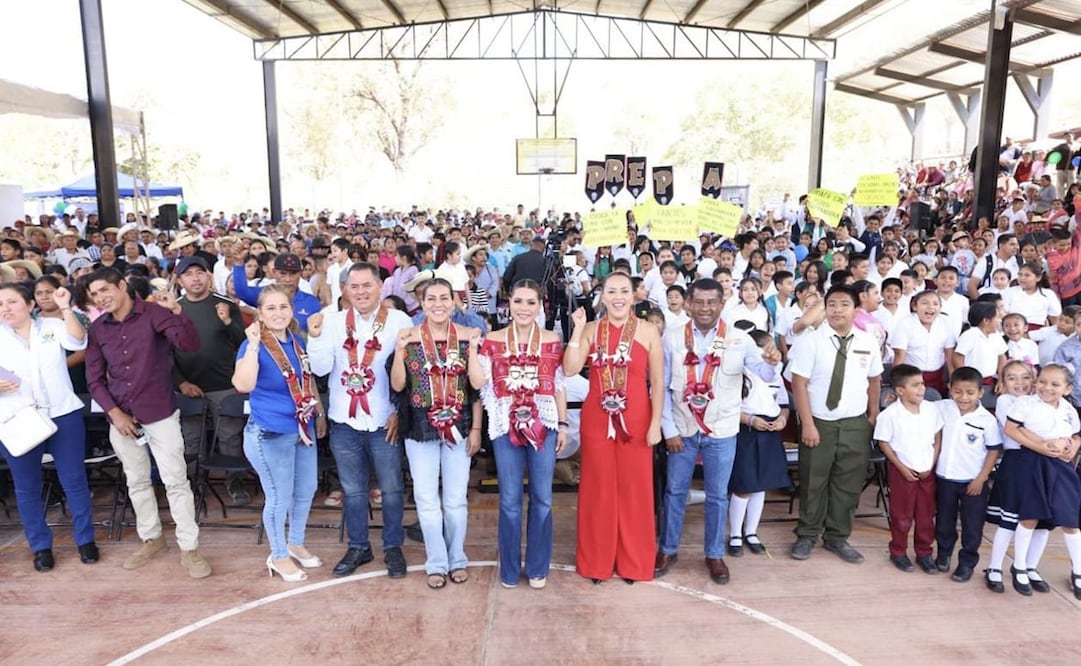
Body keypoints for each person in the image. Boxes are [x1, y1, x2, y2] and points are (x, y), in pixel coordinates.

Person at [84, 268, 212, 578]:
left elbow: (189, 343)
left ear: (122, 285)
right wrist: (115, 414)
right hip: (121, 418)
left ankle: (190, 549)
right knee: (137, 481)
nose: (101, 298)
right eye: (95, 295)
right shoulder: (99, 328)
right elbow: (94, 379)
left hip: (160, 413)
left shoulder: (156, 313)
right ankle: (152, 539)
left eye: (104, 290)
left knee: (176, 481)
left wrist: (177, 310)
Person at [655, 278, 779, 585]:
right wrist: (668, 430)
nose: (705, 308)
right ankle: (668, 549)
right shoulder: (671, 338)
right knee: (674, 492)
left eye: (712, 302)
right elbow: (660, 387)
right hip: (682, 428)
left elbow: (762, 372)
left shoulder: (739, 338)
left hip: (722, 429)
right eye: (699, 302)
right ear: (688, 304)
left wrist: (772, 360)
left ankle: (713, 554)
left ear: (722, 305)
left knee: (717, 496)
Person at [307, 263, 413, 579]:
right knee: (353, 490)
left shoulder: (399, 321)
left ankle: (393, 546)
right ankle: (359, 546)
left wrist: (399, 412)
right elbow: (322, 370)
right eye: (354, 287)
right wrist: (314, 337)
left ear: (381, 287)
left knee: (392, 488)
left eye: (367, 285)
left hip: (384, 420)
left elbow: (408, 375)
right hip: (344, 421)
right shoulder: (331, 321)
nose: (361, 292)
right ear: (345, 290)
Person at [563, 272, 664, 584]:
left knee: (636, 491)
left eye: (624, 291)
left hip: (637, 419)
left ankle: (634, 562)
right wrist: (577, 330)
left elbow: (658, 381)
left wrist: (656, 424)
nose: (618, 297)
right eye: (611, 291)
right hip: (597, 420)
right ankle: (597, 561)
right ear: (602, 296)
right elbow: (569, 369)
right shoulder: (592, 329)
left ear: (633, 295)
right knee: (598, 489)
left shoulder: (648, 331)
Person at [469, 279, 568, 589]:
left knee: (543, 498)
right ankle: (510, 569)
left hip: (545, 425)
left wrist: (563, 424)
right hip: (504, 426)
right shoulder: (492, 340)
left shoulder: (552, 339)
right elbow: (476, 383)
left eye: (531, 302)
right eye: (518, 301)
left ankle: (538, 567)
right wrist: (473, 350)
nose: (524, 308)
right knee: (510, 501)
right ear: (507, 303)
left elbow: (559, 385)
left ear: (540, 306)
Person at [390, 278, 482, 590]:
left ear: (455, 302)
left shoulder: (468, 336)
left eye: (445, 297)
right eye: (432, 298)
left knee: (456, 500)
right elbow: (399, 386)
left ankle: (457, 558)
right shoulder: (409, 337)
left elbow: (477, 389)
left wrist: (477, 430)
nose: (438, 304)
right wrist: (400, 350)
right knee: (427, 499)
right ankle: (436, 562)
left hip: (459, 426)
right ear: (422, 302)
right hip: (419, 428)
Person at [0, 283, 98, 571]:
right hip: (18, 418)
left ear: (30, 304)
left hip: (62, 413)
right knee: (27, 487)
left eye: (12, 302)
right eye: (0, 304)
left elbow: (79, 341)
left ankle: (85, 540)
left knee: (74, 480)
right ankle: (40, 546)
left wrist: (66, 306)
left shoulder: (52, 326)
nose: (5, 308)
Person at [231, 285, 326, 581]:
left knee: (306, 488)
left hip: (301, 428)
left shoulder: (296, 341)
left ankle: (295, 541)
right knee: (279, 496)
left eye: (283, 307)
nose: (278, 313)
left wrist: (318, 413)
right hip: (269, 433)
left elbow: (306, 382)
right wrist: (255, 346)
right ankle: (278, 555)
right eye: (270, 308)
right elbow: (243, 385)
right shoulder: (252, 345)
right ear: (260, 313)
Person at [788, 286, 883, 563]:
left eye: (844, 304)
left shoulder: (868, 341)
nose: (837, 310)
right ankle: (807, 534)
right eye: (831, 304)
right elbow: (799, 383)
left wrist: (872, 414)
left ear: (856, 310)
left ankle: (837, 536)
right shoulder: (812, 340)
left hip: (855, 423)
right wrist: (807, 424)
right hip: (820, 422)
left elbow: (875, 379)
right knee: (812, 481)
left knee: (848, 484)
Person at [172, 256, 249, 503]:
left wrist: (228, 321)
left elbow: (244, 343)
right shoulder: (174, 309)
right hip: (187, 386)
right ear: (180, 280)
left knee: (229, 437)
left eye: (200, 272)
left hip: (225, 385)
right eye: (189, 274)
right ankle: (193, 484)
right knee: (190, 440)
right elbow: (164, 353)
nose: (195, 278)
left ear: (208, 276)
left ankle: (234, 482)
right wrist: (181, 383)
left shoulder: (226, 304)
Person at [1002, 364, 1081, 599]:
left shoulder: (1068, 410)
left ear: (1067, 389)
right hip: (1032, 462)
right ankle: (1020, 566)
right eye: (1043, 381)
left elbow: (1075, 435)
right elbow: (1011, 428)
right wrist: (1041, 447)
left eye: (1055, 385)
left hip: (1061, 466)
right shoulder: (1026, 403)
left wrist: (1074, 445)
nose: (1046, 388)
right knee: (1030, 516)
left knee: (1070, 519)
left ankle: (1078, 570)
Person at [933, 367, 1001, 582]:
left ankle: (966, 563)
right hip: (945, 477)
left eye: (970, 392)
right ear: (949, 389)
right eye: (958, 391)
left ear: (981, 393)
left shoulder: (987, 420)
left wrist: (981, 478)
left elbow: (993, 450)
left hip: (973, 482)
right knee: (944, 521)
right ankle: (943, 555)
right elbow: (916, 406)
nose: (963, 397)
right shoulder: (941, 408)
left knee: (972, 525)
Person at [874, 364, 943, 574]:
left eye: (922, 383)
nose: (921, 389)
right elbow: (883, 443)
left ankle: (924, 553)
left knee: (925, 516)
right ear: (900, 391)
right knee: (902, 516)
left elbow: (938, 436)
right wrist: (902, 468)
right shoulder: (890, 415)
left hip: (926, 471)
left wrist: (931, 463)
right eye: (915, 385)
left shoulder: (932, 409)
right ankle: (898, 552)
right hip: (903, 473)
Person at [726, 329, 789, 558]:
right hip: (747, 430)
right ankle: (735, 533)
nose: (772, 353)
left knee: (761, 485)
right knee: (744, 486)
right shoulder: (739, 373)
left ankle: (751, 532)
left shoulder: (775, 374)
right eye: (767, 347)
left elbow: (783, 403)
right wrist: (750, 420)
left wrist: (782, 420)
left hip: (770, 428)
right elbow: (729, 407)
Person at [984, 360, 1038, 593]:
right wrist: (1049, 443)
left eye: (1025, 377)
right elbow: (1018, 431)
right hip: (1017, 462)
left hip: (1039, 463)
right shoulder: (1006, 401)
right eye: (1012, 378)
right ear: (1002, 384)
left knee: (1038, 520)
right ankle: (995, 567)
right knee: (1010, 519)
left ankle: (1028, 566)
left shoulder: (1038, 402)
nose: (1020, 383)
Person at [232, 253, 322, 331]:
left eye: (293, 274)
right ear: (274, 273)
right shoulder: (264, 295)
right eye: (283, 273)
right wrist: (238, 263)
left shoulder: (312, 302)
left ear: (300, 274)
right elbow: (242, 292)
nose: (288, 279)